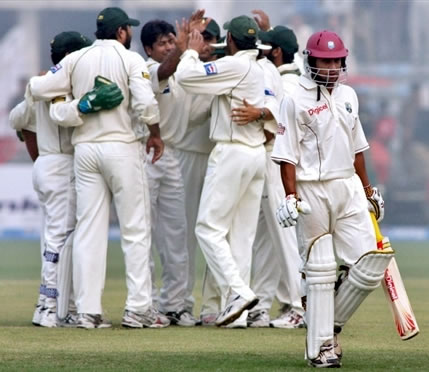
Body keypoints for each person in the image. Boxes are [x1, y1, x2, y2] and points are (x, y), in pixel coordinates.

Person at [28, 7, 168, 329]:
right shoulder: (130, 59)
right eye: (128, 30)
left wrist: (80, 101)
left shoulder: (76, 59)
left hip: (85, 150)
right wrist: (156, 135)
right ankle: (137, 309)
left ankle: (88, 311)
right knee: (135, 229)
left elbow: (38, 89)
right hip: (121, 146)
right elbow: (146, 104)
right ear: (122, 32)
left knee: (89, 231)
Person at [271, 30, 392, 367]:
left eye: (337, 60)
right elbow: (286, 155)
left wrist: (369, 191)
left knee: (369, 264)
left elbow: (358, 150)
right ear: (311, 61)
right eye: (326, 60)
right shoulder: (294, 97)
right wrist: (291, 196)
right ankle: (322, 348)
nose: (332, 66)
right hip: (311, 189)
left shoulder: (350, 95)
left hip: (347, 187)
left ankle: (327, 322)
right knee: (321, 268)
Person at [176, 15, 266, 327]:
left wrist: (189, 49)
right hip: (256, 155)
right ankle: (236, 312)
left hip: (232, 151)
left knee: (208, 228)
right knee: (241, 236)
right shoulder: (258, 67)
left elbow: (186, 77)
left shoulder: (236, 65)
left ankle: (239, 292)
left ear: (230, 40)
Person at [10, 31, 92, 327]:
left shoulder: (41, 85)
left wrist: (28, 132)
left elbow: (15, 119)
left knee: (53, 235)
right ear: (71, 56)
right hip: (61, 164)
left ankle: (48, 304)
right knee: (62, 236)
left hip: (44, 164)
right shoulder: (63, 86)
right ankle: (52, 307)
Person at [140, 14, 213, 327]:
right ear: (148, 49)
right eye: (163, 43)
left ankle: (176, 305)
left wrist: (190, 42)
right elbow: (167, 67)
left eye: (172, 40)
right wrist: (183, 46)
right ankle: (144, 305)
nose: (169, 46)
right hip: (144, 156)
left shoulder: (182, 67)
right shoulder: (146, 70)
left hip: (170, 156)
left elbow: (190, 64)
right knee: (144, 233)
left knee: (177, 236)